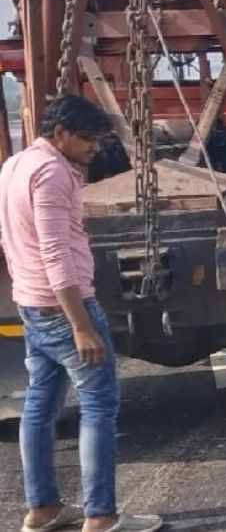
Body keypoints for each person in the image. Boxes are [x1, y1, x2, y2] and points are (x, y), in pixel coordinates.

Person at [0, 95, 163, 532]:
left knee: (38, 404)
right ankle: (102, 516)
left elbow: (11, 240)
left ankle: (43, 509)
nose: (95, 148)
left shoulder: (13, 166)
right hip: (62, 307)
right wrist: (81, 325)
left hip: (32, 303)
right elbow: (55, 254)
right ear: (60, 135)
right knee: (98, 407)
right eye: (88, 139)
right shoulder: (52, 173)